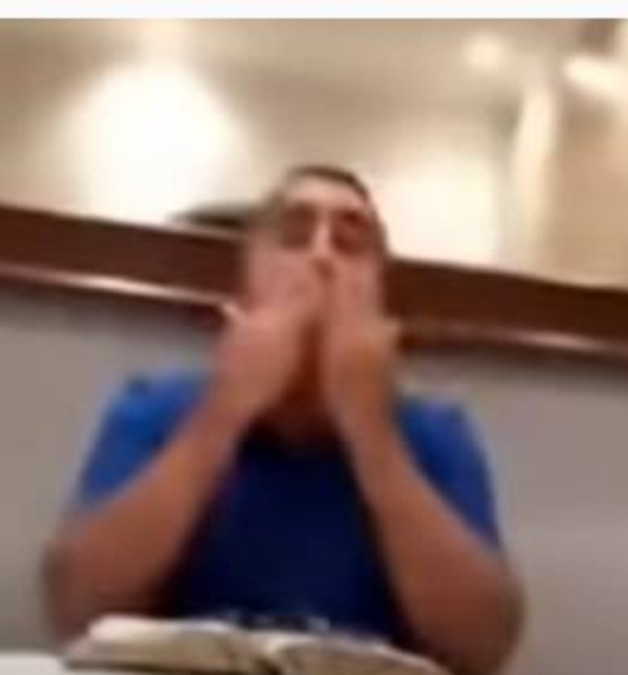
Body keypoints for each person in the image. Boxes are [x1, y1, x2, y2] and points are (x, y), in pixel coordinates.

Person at [41, 165, 525, 675]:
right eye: (294, 237)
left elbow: (483, 649)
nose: (322, 257)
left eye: (350, 244)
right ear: (247, 286)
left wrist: (371, 431)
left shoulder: (436, 432)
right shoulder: (155, 408)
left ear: (380, 295)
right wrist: (226, 408)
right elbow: (75, 609)